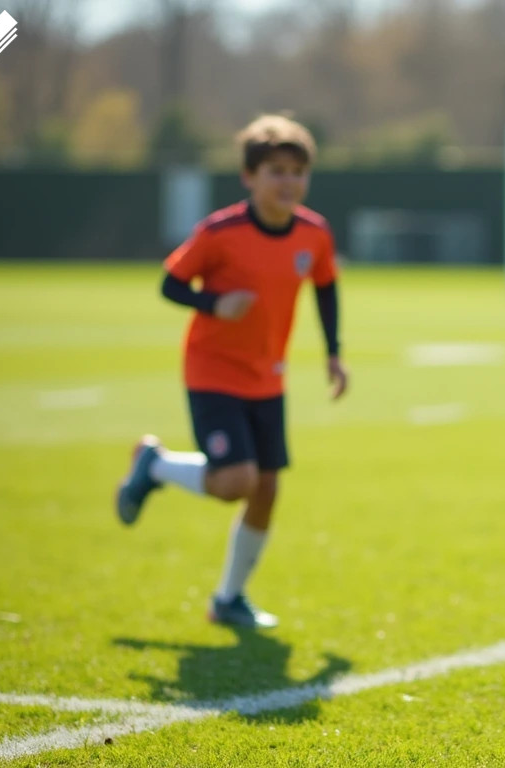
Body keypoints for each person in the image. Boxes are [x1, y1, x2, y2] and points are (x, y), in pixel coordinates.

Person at [115, 113, 348, 629]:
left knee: (266, 489)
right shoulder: (220, 232)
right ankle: (153, 465)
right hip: (213, 369)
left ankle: (228, 599)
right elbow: (171, 283)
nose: (288, 181)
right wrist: (215, 303)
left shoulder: (314, 233)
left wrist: (333, 352)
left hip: (269, 375)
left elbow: (326, 286)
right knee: (235, 482)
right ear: (249, 177)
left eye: (297, 171)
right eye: (275, 171)